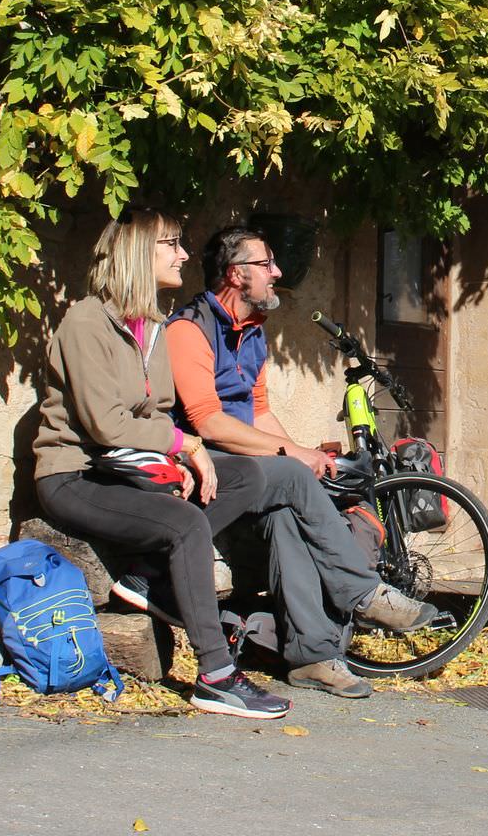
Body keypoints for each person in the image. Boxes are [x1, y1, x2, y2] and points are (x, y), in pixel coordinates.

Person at [158, 224, 437, 700]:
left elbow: (259, 412)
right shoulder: (189, 330)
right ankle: (365, 593)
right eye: (266, 264)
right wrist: (292, 456)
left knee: (288, 515)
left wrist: (304, 455)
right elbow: (209, 423)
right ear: (235, 274)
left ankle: (313, 659)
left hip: (254, 480)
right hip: (210, 481)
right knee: (290, 473)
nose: (277, 272)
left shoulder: (253, 335)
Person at [32, 209, 290, 719]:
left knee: (245, 475)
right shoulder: (87, 321)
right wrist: (186, 447)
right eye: (171, 244)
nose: (184, 256)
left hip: (124, 467)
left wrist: (183, 455)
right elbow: (106, 425)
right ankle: (215, 674)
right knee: (187, 522)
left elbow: (159, 411)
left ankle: (147, 577)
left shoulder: (151, 325)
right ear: (137, 254)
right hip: (74, 475)